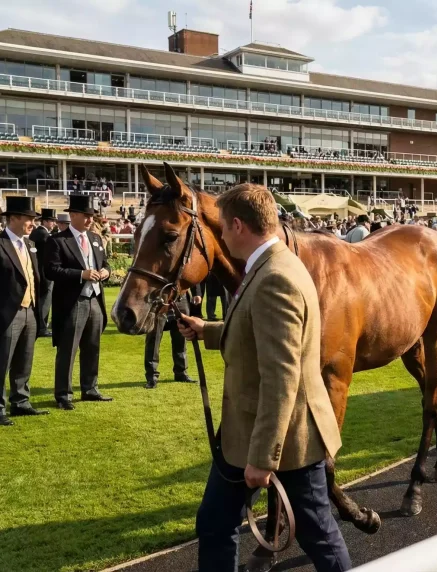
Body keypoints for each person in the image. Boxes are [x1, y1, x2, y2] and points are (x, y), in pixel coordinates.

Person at [174, 184, 350, 572]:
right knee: (216, 522)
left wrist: (262, 458)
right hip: (253, 433)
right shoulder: (273, 265)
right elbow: (257, 332)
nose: (220, 235)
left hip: (282, 440)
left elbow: (281, 375)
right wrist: (209, 330)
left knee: (315, 530)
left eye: (223, 227)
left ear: (238, 225)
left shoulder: (274, 277)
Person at [0, 196, 49, 426]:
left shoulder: (30, 245)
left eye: (33, 220)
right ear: (13, 218)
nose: (32, 224)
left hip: (30, 312)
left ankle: (21, 402)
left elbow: (35, 277)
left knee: (24, 360)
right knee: (1, 363)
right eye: (28, 219)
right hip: (6, 315)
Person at [45, 195, 113, 410]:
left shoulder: (95, 238)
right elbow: (51, 270)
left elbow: (106, 263)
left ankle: (90, 388)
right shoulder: (57, 241)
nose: (90, 220)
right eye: (86, 216)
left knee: (92, 347)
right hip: (73, 302)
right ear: (73, 215)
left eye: (91, 216)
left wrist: (106, 271)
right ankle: (63, 394)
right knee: (68, 349)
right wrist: (80, 274)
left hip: (94, 299)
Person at [144, 283, 201, 389]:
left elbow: (192, 271)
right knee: (154, 338)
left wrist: (196, 293)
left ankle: (181, 372)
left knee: (181, 337)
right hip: (159, 299)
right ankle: (151, 377)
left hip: (180, 298)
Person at [30, 208, 57, 338]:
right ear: (45, 221)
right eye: (52, 221)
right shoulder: (44, 235)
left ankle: (40, 326)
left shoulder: (36, 233)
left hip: (37, 271)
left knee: (41, 300)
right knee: (45, 301)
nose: (54, 224)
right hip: (44, 272)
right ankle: (42, 327)